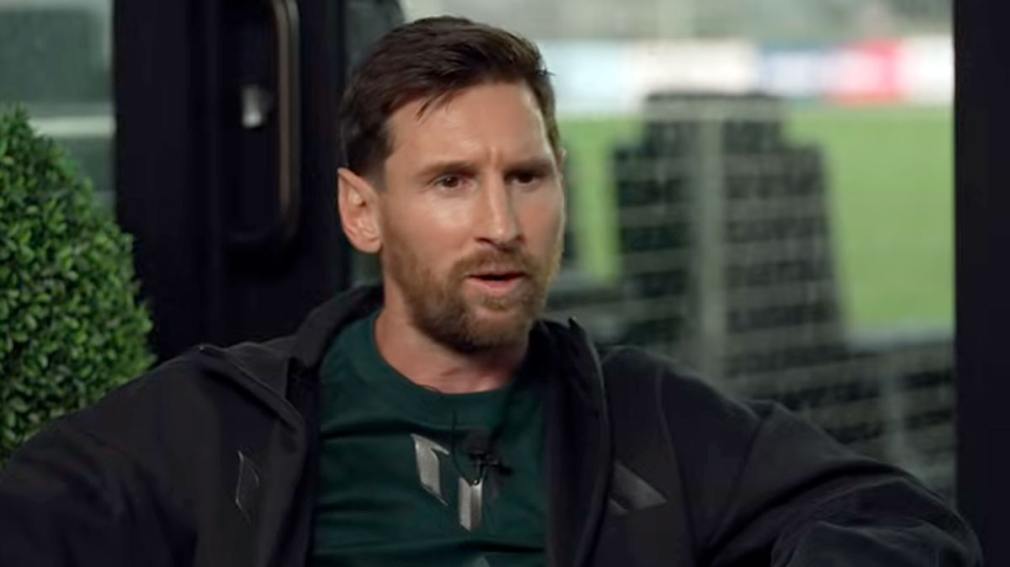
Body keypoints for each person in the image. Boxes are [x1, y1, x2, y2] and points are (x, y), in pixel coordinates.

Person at [0, 16, 981, 567]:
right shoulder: (221, 424)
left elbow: (908, 525)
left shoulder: (652, 422)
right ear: (361, 212)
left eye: (526, 176)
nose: (501, 223)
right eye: (450, 181)